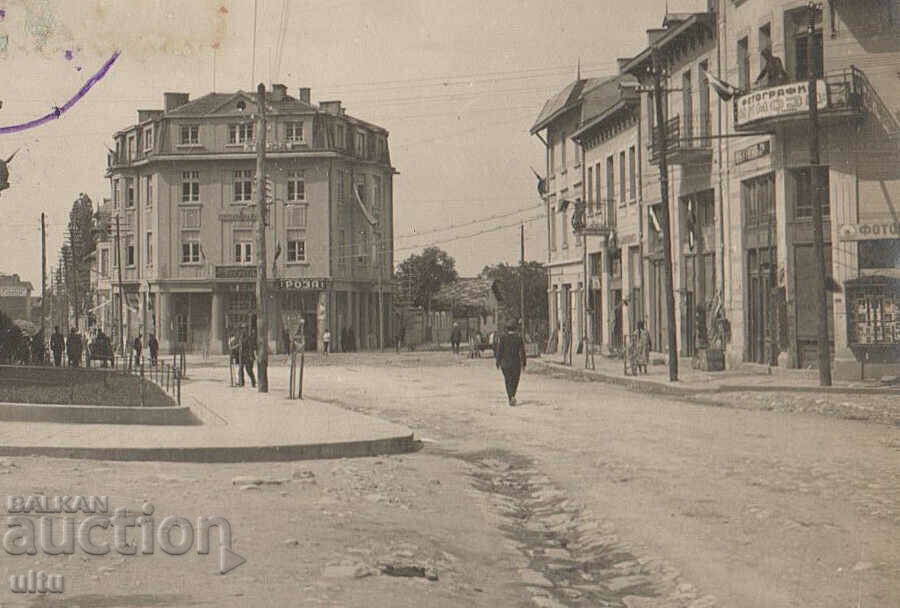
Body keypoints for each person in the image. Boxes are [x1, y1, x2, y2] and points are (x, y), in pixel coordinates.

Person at [495, 320, 527, 406]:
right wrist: (524, 363)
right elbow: (522, 351)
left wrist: (497, 362)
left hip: (505, 363)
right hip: (515, 363)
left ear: (507, 329)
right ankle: (512, 395)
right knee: (515, 380)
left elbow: (499, 350)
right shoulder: (518, 338)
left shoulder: (502, 338)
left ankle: (510, 397)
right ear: (515, 328)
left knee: (508, 380)